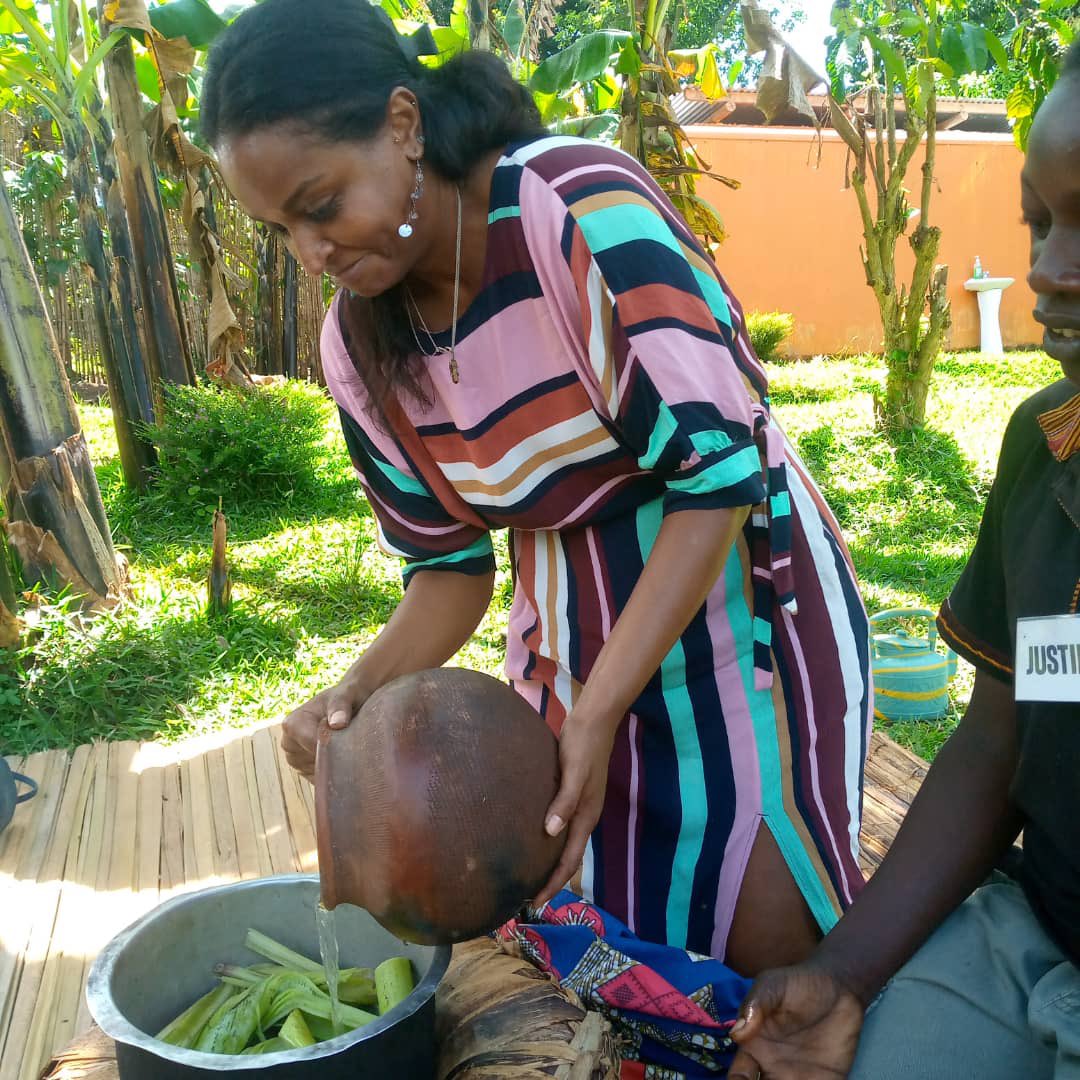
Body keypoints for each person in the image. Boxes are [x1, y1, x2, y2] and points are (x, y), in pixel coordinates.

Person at [200, 0, 872, 976]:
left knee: (770, 951)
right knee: (626, 959)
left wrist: (597, 718)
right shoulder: (357, 346)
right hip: (568, 641)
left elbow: (715, 482)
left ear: (402, 125)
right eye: (279, 229)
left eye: (320, 203)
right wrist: (351, 697)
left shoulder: (579, 210)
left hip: (737, 618)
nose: (313, 252)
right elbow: (449, 572)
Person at [729, 43, 1080, 1079]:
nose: (1050, 269)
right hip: (1038, 936)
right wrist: (844, 973)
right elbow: (997, 733)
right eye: (1043, 220)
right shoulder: (1046, 446)